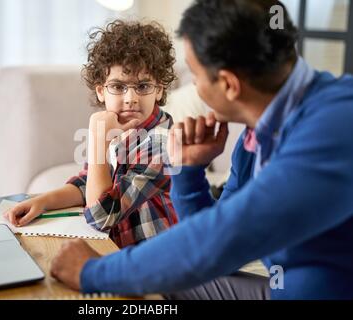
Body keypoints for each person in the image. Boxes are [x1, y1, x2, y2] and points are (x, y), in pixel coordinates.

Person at [48, 0, 353, 300]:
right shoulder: (254, 139)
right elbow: (221, 250)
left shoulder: (334, 125)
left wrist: (93, 272)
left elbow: (218, 240)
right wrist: (190, 171)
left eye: (194, 74)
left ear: (228, 85)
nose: (192, 84)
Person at [5, 20, 178, 248]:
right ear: (100, 91)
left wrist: (98, 140)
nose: (130, 98)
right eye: (118, 87)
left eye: (143, 86)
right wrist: (43, 201)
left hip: (156, 259)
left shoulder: (163, 144)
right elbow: (89, 182)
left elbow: (101, 216)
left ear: (159, 90)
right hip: (118, 245)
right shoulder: (115, 126)